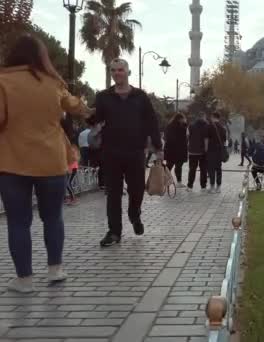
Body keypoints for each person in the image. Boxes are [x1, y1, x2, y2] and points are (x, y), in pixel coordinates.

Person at [0, 35, 89, 292]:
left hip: (12, 161)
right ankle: (55, 269)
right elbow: (77, 107)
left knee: (18, 222)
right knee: (53, 218)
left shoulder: (4, 82)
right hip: (51, 161)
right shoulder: (53, 83)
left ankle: (24, 280)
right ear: (41, 57)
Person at [92, 58, 163, 247]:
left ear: (128, 72)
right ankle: (114, 231)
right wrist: (87, 117)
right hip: (111, 152)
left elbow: (152, 122)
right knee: (113, 193)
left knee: (136, 190)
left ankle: (134, 214)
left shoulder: (140, 96)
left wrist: (158, 147)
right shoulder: (103, 97)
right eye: (113, 70)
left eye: (120, 70)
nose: (117, 73)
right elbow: (96, 120)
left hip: (135, 152)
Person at [164, 113, 188, 187]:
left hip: (170, 149)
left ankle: (165, 180)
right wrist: (185, 124)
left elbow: (166, 137)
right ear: (180, 119)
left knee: (169, 165)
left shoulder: (169, 126)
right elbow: (185, 138)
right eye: (183, 118)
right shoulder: (182, 127)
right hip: (179, 150)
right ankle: (179, 182)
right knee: (178, 166)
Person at [186, 114, 208, 192]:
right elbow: (206, 139)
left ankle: (190, 186)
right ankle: (203, 187)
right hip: (203, 152)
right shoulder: (206, 126)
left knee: (192, 169)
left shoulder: (191, 125)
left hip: (192, 151)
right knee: (203, 169)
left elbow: (187, 136)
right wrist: (206, 149)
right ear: (204, 117)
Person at [206, 112, 227, 193]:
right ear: (219, 118)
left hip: (211, 150)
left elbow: (207, 139)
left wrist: (206, 150)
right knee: (218, 169)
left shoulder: (209, 126)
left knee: (211, 168)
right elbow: (225, 141)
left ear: (213, 117)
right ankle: (218, 187)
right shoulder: (223, 128)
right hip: (219, 151)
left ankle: (212, 187)